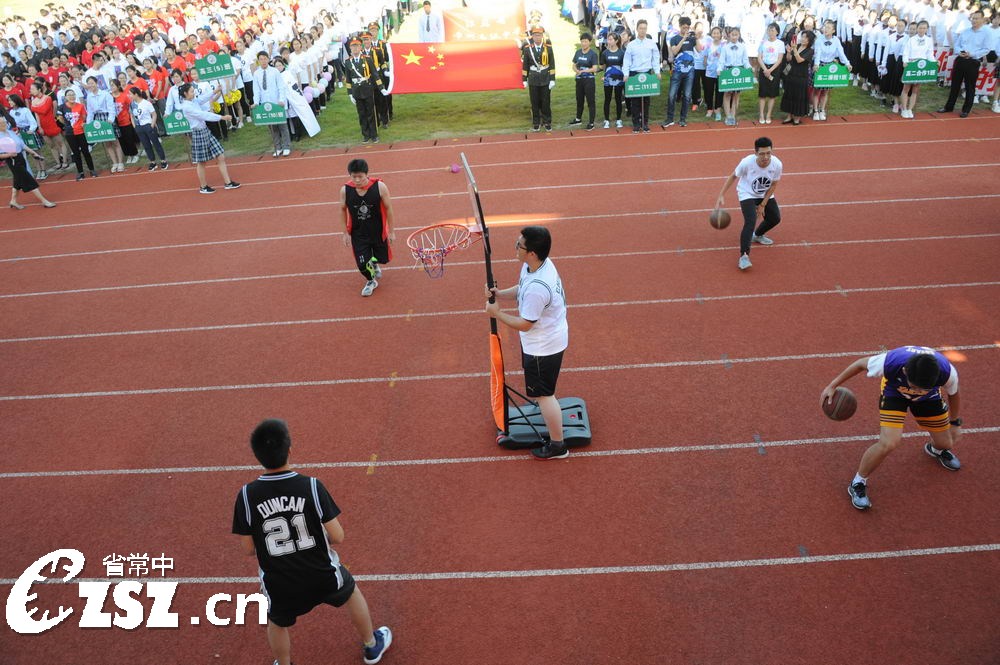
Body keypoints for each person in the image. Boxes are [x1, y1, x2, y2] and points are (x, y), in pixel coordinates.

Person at [232, 419, 392, 665]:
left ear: (257, 456)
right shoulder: (312, 487)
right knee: (351, 592)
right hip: (321, 574)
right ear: (290, 450)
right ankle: (371, 646)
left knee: (276, 622)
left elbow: (248, 549)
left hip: (281, 584)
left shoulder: (246, 495)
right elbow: (338, 536)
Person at [820, 346, 962, 511]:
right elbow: (859, 364)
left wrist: (955, 423)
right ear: (905, 371)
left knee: (946, 443)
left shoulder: (947, 372)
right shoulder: (890, 362)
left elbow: (954, 394)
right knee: (889, 442)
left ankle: (935, 450)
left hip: (929, 400)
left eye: (922, 388)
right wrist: (832, 385)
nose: (916, 391)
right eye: (914, 387)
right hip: (894, 394)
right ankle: (858, 482)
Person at [485, 225, 569, 461]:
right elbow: (522, 287)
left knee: (544, 395)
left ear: (531, 252)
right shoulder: (537, 265)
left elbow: (524, 324)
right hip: (544, 339)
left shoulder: (537, 289)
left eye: (519, 246)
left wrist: (496, 313)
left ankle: (558, 446)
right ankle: (544, 407)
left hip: (543, 346)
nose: (515, 248)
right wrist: (500, 294)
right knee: (542, 392)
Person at [715, 136, 783, 271]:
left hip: (764, 193)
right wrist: (721, 194)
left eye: (768, 153)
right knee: (750, 221)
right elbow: (733, 176)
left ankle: (757, 235)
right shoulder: (746, 163)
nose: (766, 157)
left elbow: (774, 184)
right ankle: (744, 256)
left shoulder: (777, 164)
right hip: (747, 193)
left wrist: (763, 204)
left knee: (775, 218)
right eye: (762, 154)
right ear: (756, 153)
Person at [339, 159, 395, 297]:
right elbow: (342, 210)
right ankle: (371, 281)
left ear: (367, 174)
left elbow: (389, 208)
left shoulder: (380, 187)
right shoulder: (345, 190)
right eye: (354, 177)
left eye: (360, 176)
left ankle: (374, 263)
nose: (357, 180)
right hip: (358, 234)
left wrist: (391, 231)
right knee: (362, 264)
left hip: (377, 231)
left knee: (381, 258)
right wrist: (345, 233)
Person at [176, 83, 240, 194]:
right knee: (201, 162)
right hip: (198, 133)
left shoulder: (193, 101)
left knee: (220, 156)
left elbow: (202, 98)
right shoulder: (186, 107)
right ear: (185, 94)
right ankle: (203, 187)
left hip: (205, 131)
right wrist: (222, 117)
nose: (194, 93)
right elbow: (204, 115)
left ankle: (228, 183)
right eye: (192, 91)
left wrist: (215, 91)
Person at [938, 10, 992, 117]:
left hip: (973, 61)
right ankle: (949, 107)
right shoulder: (966, 31)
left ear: (982, 19)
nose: (974, 20)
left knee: (970, 86)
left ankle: (966, 109)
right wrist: (960, 52)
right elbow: (957, 44)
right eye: (973, 18)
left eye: (977, 18)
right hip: (960, 59)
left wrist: (972, 54)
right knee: (955, 84)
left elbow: (986, 49)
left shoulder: (986, 33)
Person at [0, 115, 56, 209]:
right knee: (29, 179)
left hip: (20, 158)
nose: (4, 124)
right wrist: (9, 154)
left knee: (17, 180)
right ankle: (44, 201)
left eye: (4, 122)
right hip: (12, 161)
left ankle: (13, 201)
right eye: (2, 123)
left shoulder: (10, 132)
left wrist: (34, 153)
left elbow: (22, 145)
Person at [622, 18, 661, 133]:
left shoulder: (651, 43)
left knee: (646, 101)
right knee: (635, 101)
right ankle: (636, 124)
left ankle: (645, 123)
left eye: (644, 28)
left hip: (647, 73)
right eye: (641, 28)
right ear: (637, 29)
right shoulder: (631, 45)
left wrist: (657, 71)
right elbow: (627, 60)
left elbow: (656, 58)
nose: (643, 30)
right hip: (634, 74)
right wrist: (626, 74)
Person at [345, 38, 385, 144]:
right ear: (350, 48)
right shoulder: (348, 62)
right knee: (361, 113)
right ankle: (366, 135)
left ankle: (374, 135)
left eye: (357, 46)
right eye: (353, 46)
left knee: (371, 112)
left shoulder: (367, 59)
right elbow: (348, 79)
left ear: (360, 47)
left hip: (367, 89)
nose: (355, 48)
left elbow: (375, 74)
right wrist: (350, 94)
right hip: (356, 91)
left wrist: (381, 87)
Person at [252, 51, 291, 157]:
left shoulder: (274, 71)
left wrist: (281, 100)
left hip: (277, 102)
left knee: (282, 125)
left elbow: (281, 87)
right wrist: (256, 103)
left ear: (268, 59)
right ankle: (278, 148)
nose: (263, 61)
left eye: (265, 58)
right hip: (265, 104)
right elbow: (256, 90)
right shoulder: (256, 73)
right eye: (261, 59)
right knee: (272, 128)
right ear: (258, 61)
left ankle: (286, 146)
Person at [662, 16, 698, 128]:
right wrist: (683, 39)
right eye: (684, 27)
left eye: (687, 27)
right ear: (680, 26)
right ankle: (670, 118)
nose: (686, 29)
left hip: (690, 71)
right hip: (677, 70)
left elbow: (700, 49)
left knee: (687, 95)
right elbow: (674, 51)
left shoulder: (692, 39)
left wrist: (697, 37)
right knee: (672, 95)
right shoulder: (674, 38)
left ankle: (683, 119)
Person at [522, 26, 556, 132]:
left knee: (546, 101)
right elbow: (525, 65)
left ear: (542, 36)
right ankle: (536, 123)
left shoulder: (548, 48)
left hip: (545, 77)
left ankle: (547, 122)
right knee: (534, 102)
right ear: (532, 36)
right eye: (535, 35)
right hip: (533, 78)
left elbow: (552, 64)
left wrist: (552, 79)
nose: (537, 37)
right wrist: (524, 79)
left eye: (539, 35)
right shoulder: (528, 49)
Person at [780, 29, 815, 125]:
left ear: (810, 40)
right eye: (802, 36)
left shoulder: (810, 51)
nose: (803, 39)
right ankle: (789, 116)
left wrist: (794, 49)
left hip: (801, 76)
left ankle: (797, 118)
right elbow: (789, 59)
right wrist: (788, 52)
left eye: (805, 37)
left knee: (799, 96)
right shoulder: (797, 46)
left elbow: (799, 60)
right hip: (791, 74)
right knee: (789, 95)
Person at [129, 87, 167, 171]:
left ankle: (163, 160)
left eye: (130, 94)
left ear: (136, 94)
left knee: (156, 144)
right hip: (139, 127)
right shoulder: (132, 104)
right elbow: (131, 116)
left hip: (148, 125)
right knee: (146, 145)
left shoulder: (146, 103)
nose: (129, 96)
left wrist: (152, 125)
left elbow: (154, 114)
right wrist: (135, 126)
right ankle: (152, 162)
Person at [719, 26, 751, 126]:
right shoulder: (725, 47)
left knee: (736, 94)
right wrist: (719, 69)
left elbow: (745, 60)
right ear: (729, 35)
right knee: (727, 94)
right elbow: (722, 60)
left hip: (739, 71)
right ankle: (728, 116)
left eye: (736, 35)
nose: (734, 37)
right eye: (732, 35)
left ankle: (733, 115)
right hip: (728, 71)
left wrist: (749, 68)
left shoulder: (742, 47)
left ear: (739, 35)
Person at [757, 23, 785, 124]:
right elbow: (759, 57)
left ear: (777, 32)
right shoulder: (763, 42)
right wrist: (765, 69)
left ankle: (768, 114)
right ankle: (761, 114)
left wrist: (770, 70)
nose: (770, 32)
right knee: (762, 94)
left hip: (775, 69)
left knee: (772, 94)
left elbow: (780, 59)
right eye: (769, 30)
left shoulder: (780, 43)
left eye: (773, 30)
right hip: (764, 68)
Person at [570, 33, 598, 130]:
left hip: (589, 80)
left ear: (590, 42)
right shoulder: (578, 52)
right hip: (579, 80)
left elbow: (595, 68)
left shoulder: (593, 54)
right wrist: (576, 70)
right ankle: (578, 119)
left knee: (590, 101)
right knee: (579, 99)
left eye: (586, 41)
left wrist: (584, 71)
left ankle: (591, 122)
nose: (583, 43)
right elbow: (573, 65)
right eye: (582, 41)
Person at [600, 32, 626, 129]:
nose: (609, 41)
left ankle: (619, 120)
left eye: (611, 39)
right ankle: (606, 120)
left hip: (619, 79)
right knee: (607, 99)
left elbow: (624, 66)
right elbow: (603, 66)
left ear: (616, 41)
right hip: (608, 79)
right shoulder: (605, 53)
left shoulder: (622, 53)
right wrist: (606, 75)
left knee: (618, 99)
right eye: (608, 39)